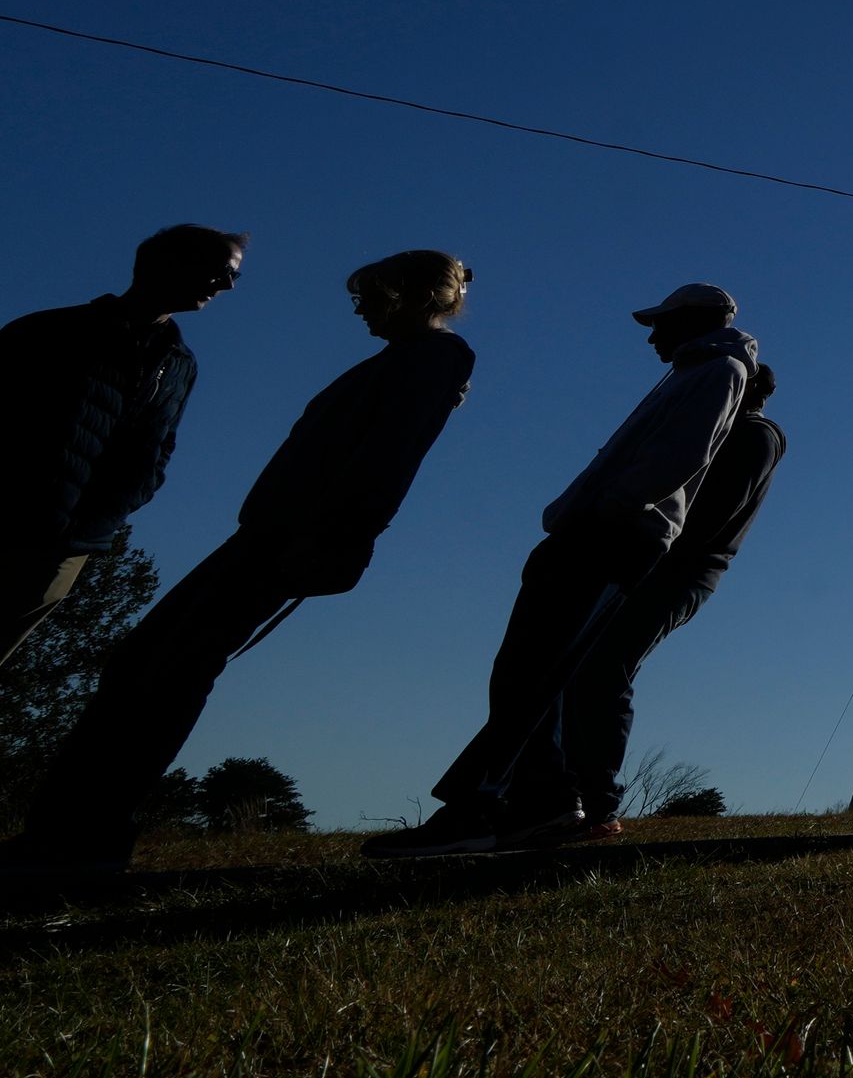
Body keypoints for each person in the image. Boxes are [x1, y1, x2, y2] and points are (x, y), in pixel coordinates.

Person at [7, 249, 467, 868]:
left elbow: (390, 456)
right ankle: (71, 832)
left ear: (406, 295)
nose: (359, 308)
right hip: (270, 531)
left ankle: (80, 838)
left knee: (168, 669)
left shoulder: (435, 357)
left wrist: (344, 537)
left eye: (370, 295)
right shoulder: (406, 360)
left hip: (295, 535)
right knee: (146, 664)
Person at [370, 282, 757, 857]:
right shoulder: (693, 370)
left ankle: (480, 808)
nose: (652, 334)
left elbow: (682, 455)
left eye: (662, 322)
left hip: (611, 536)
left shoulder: (717, 369)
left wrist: (608, 507)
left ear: (697, 320)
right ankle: (541, 805)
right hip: (601, 532)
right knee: (531, 672)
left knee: (533, 673)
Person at [503, 357, 787, 844]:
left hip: (675, 574)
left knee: (604, 670)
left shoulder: (752, 437)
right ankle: (565, 800)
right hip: (662, 568)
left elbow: (708, 519)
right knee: (584, 671)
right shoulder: (735, 436)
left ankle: (596, 807)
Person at [2, 224, 244, 667]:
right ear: (168, 263)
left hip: (71, 547)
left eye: (234, 277)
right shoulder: (51, 331)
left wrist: (107, 516)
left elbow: (157, 451)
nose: (227, 285)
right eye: (220, 271)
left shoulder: (180, 364)